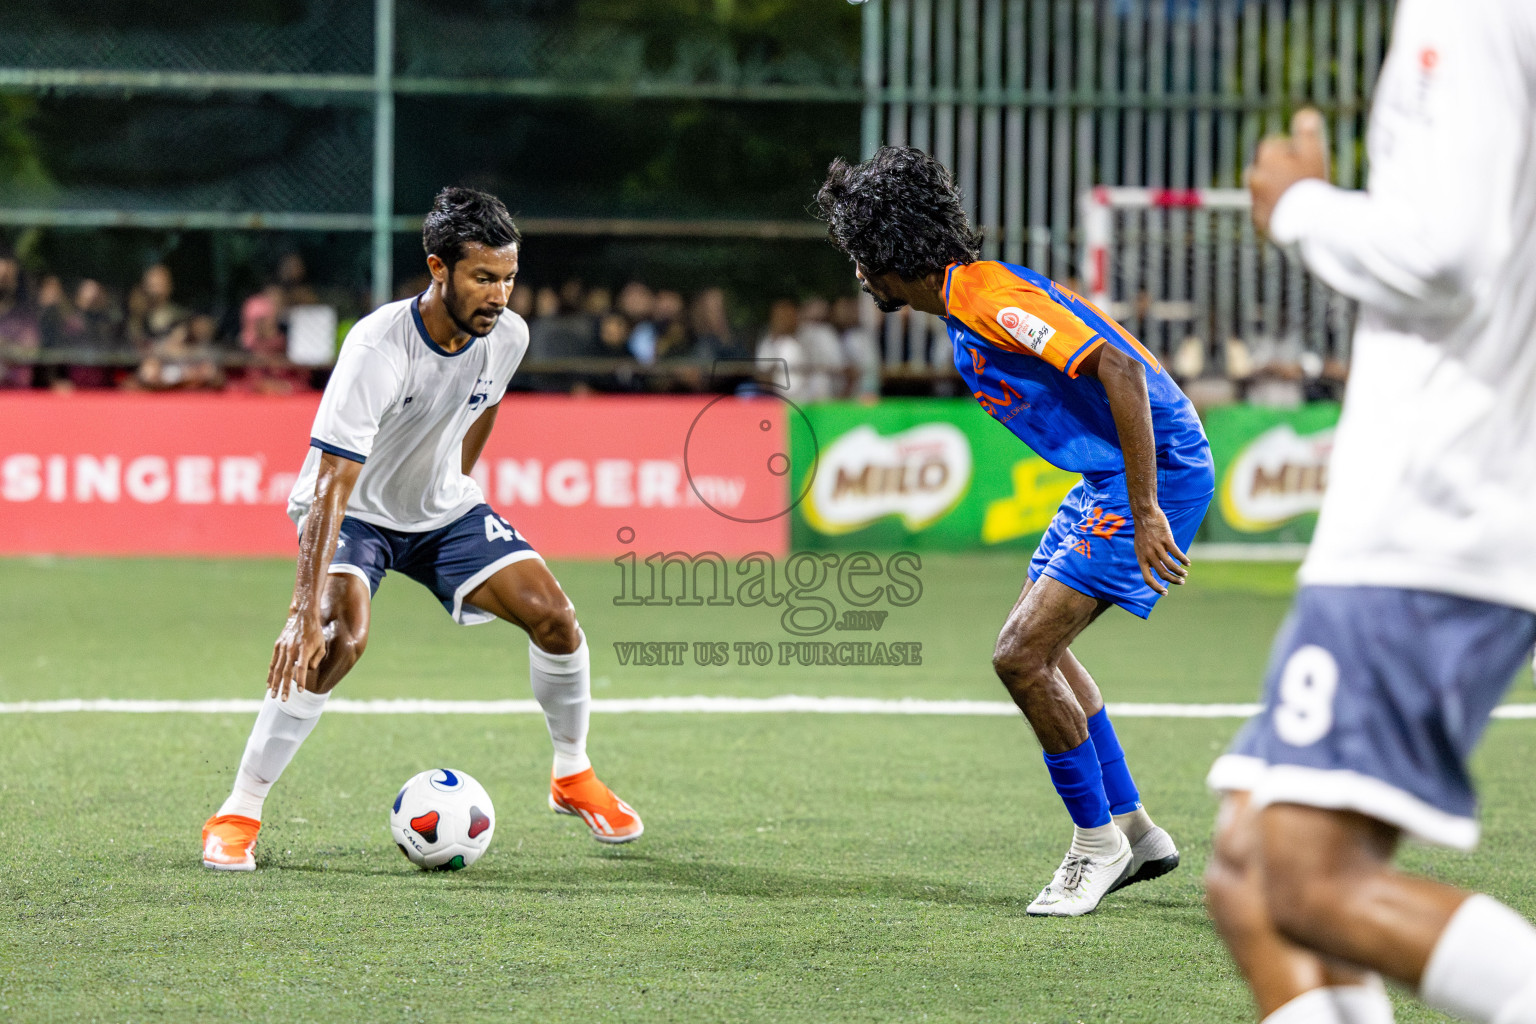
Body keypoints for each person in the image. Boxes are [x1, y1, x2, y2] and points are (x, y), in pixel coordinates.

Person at [1204, 2, 1536, 1021]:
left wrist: (1300, 205)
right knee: (1249, 874)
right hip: (1437, 506)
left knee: (1305, 876)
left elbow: (1445, 258)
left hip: (1432, 515)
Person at [815, 146, 1214, 917]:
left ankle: (1094, 846)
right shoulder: (969, 302)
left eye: (861, 256)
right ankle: (1133, 827)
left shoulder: (989, 300)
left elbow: (1122, 372)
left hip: (1150, 469)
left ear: (890, 254)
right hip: (1113, 474)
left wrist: (1148, 506)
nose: (858, 275)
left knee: (1020, 656)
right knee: (1041, 650)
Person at [201, 186, 643, 871]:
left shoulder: (508, 336)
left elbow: (481, 408)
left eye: (508, 278)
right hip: (355, 513)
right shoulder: (378, 347)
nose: (499, 295)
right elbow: (332, 482)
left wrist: (456, 489)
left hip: (442, 512)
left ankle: (571, 773)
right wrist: (299, 611)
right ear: (438, 269)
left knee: (556, 618)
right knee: (335, 639)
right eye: (483, 278)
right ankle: (240, 808)